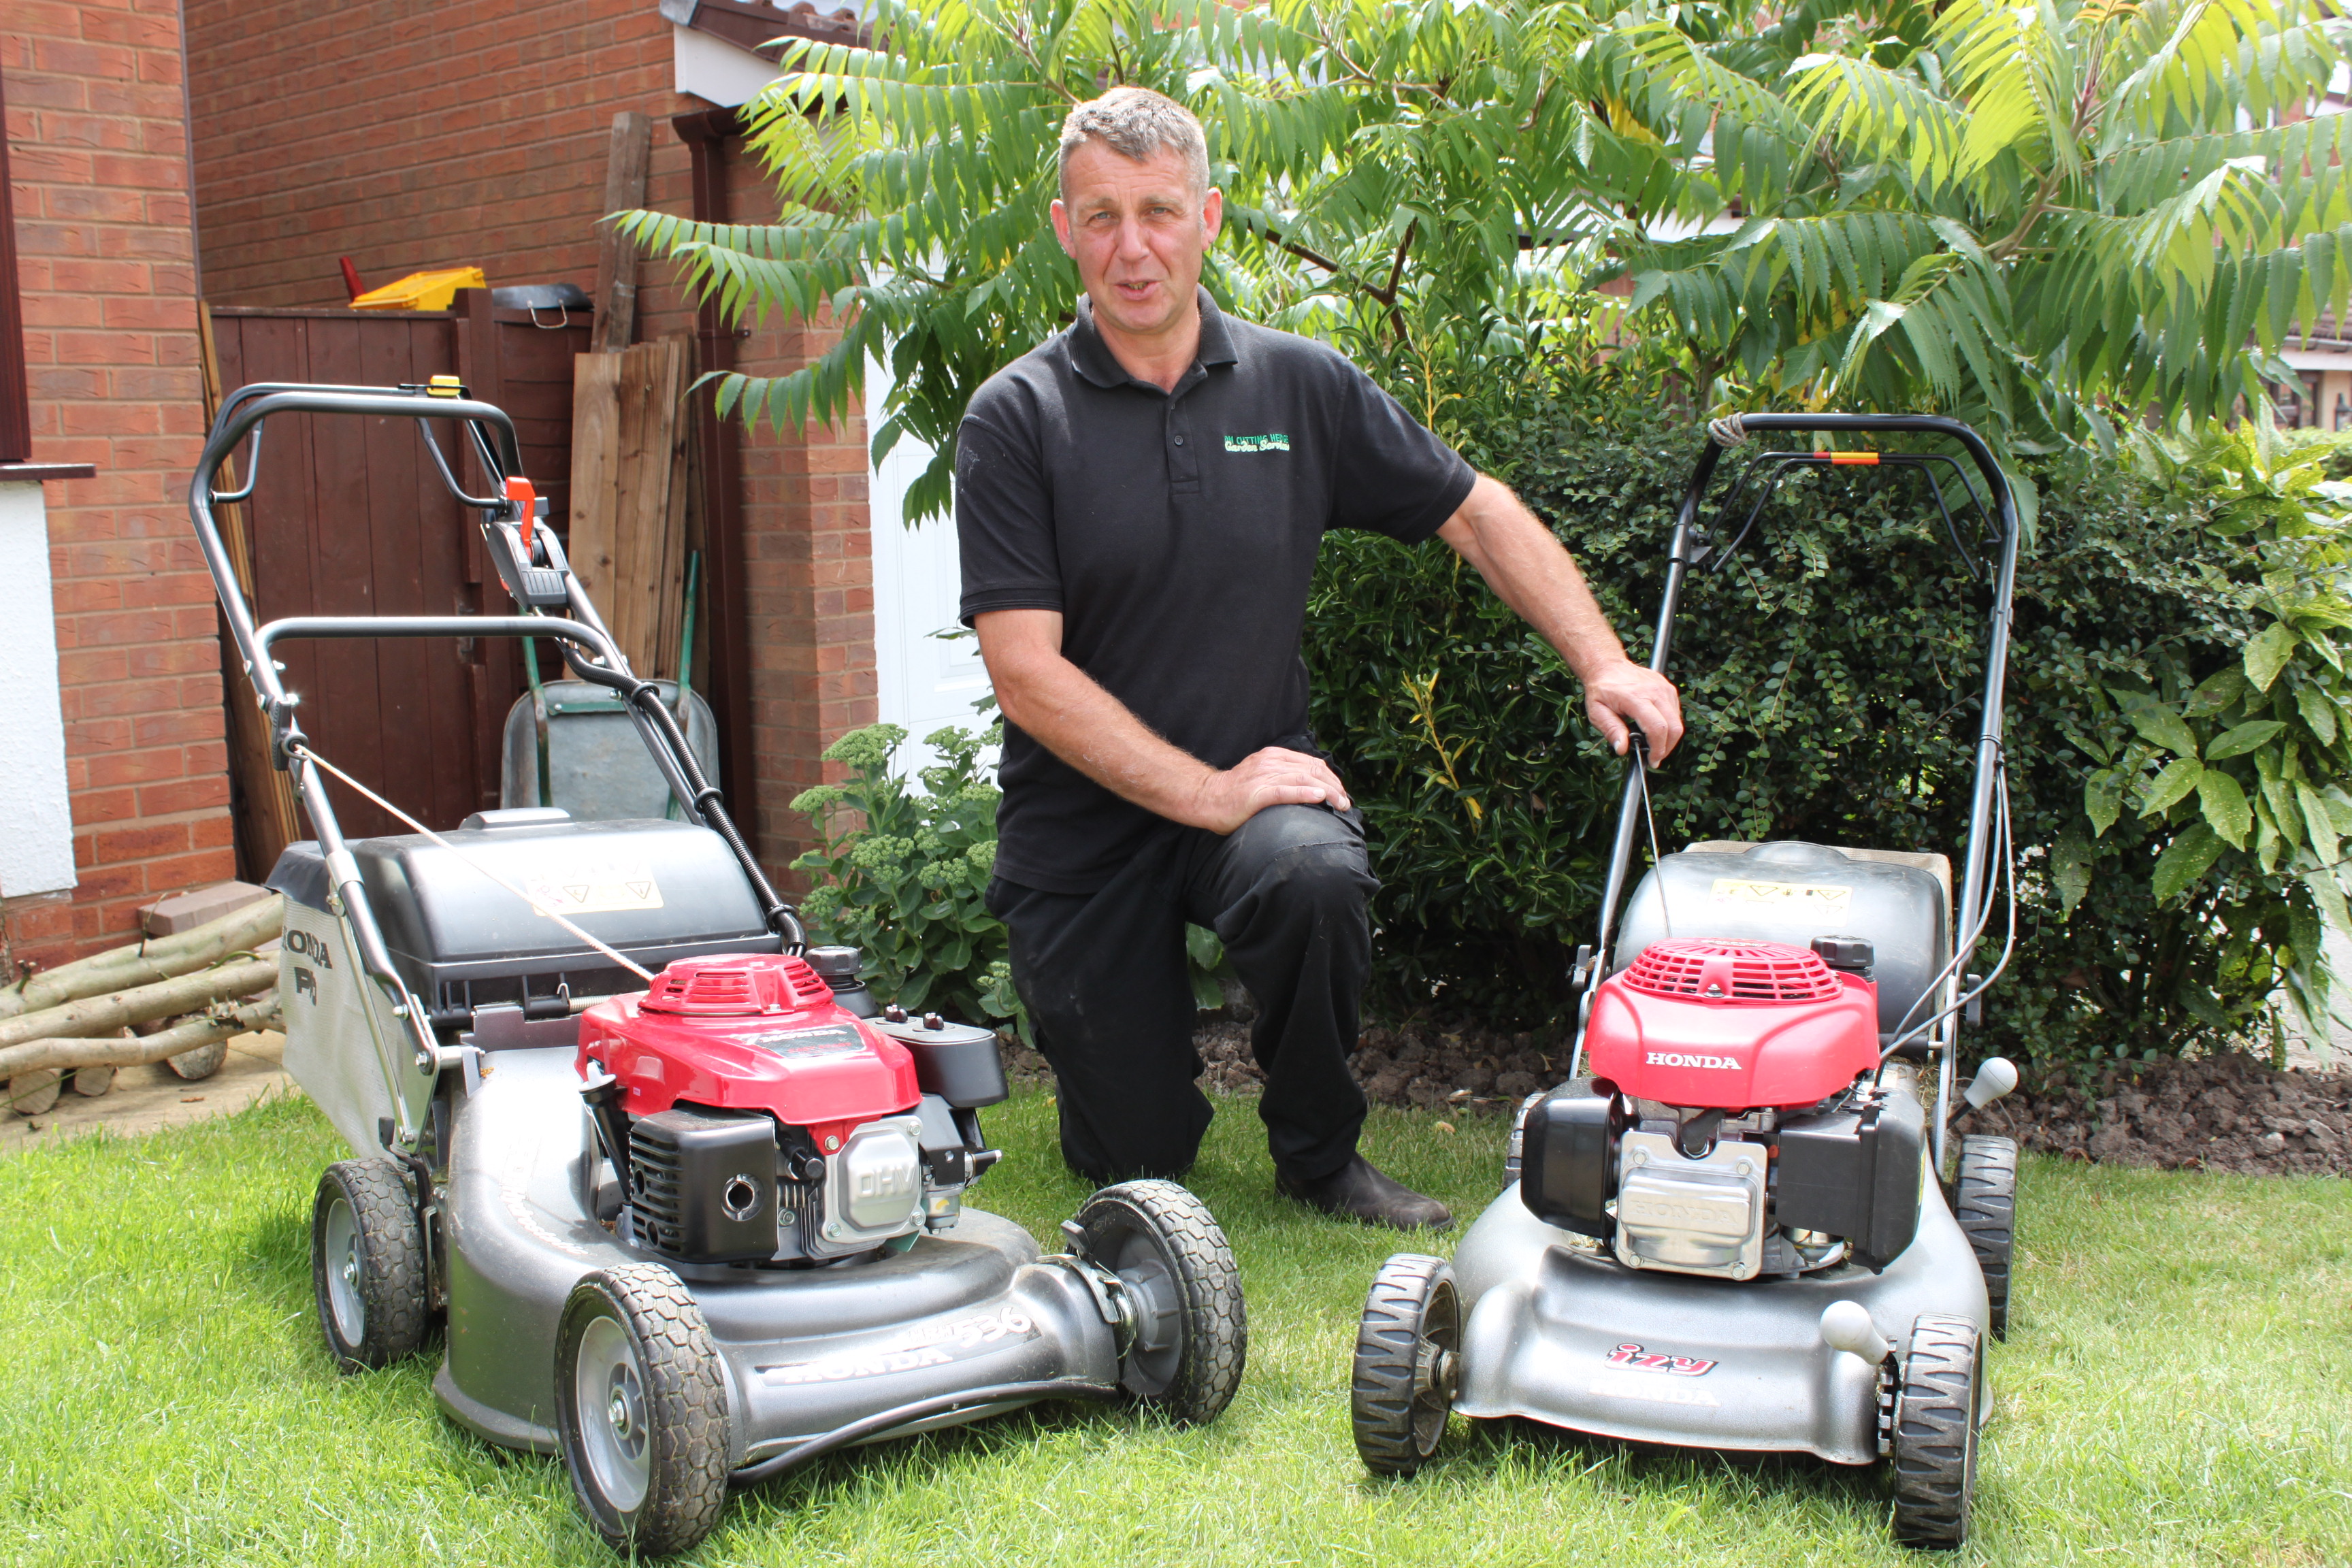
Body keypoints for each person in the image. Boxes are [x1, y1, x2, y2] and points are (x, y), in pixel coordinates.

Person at [955, 87, 1683, 1230]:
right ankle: (1128, 1098)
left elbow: (1477, 512)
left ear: (1211, 218)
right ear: (1063, 228)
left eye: (1159, 211)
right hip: (1084, 829)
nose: (1132, 248)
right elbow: (1026, 673)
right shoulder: (1016, 419)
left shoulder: (1297, 387)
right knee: (1137, 1162)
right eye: (1102, 217)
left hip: (1257, 802)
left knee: (1314, 873)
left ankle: (1321, 1156)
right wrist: (1205, 789)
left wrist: (1604, 662)